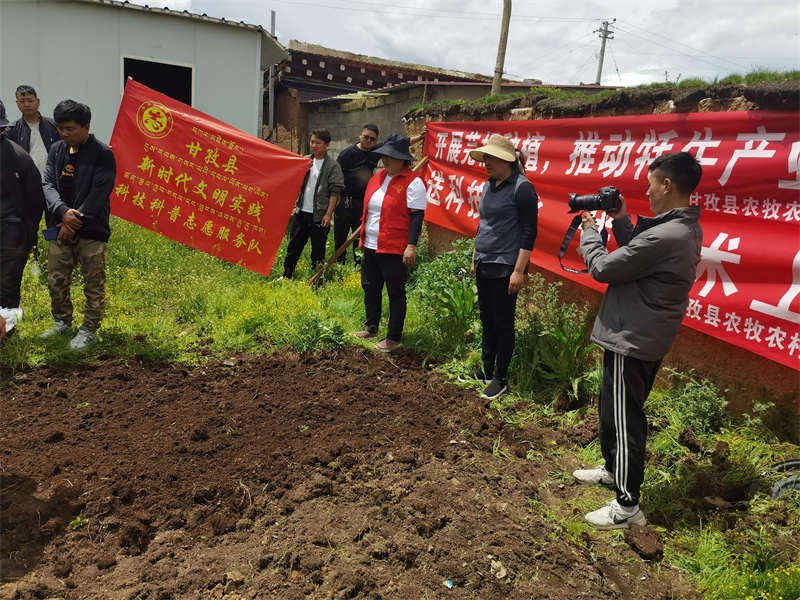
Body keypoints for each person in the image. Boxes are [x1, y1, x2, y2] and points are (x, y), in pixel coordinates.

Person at [573, 151, 703, 529]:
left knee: (625, 417)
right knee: (613, 408)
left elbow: (604, 268)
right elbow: (638, 255)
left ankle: (627, 505)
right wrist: (620, 219)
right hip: (639, 331)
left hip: (632, 335)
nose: (646, 192)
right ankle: (615, 470)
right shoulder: (680, 227)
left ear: (667, 185)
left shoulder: (668, 233)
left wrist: (589, 232)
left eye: (650, 185)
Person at [461, 135, 539, 400]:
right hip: (484, 262)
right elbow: (483, 224)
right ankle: (486, 369)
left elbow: (529, 233)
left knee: (503, 322)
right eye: (486, 158)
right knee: (487, 319)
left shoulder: (523, 188)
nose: (486, 163)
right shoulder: (489, 186)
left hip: (506, 266)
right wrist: (475, 256)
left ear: (506, 160)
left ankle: (500, 378)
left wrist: (519, 270)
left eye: (491, 158)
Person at [40, 99, 116, 351]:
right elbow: (48, 184)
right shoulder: (56, 150)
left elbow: (99, 192)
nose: (64, 133)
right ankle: (62, 321)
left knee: (93, 281)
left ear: (86, 126)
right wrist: (62, 212)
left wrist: (74, 221)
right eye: (61, 128)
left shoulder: (103, 154)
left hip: (92, 230)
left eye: (70, 129)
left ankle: (89, 330)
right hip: (60, 223)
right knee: (56, 279)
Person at [353, 134, 426, 352]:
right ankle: (371, 326)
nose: (386, 160)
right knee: (370, 286)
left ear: (403, 159)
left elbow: (416, 218)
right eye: (384, 156)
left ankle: (394, 337)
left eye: (391, 157)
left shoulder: (414, 183)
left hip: (394, 247)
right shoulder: (378, 178)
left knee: (395, 292)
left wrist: (410, 246)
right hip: (371, 243)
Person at [335, 125, 427, 265]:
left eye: (372, 139)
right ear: (360, 136)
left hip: (362, 201)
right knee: (340, 237)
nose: (368, 141)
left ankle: (359, 265)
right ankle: (338, 265)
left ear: (376, 141)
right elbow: (336, 178)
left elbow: (402, 143)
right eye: (366, 137)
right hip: (345, 201)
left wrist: (420, 137)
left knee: (359, 237)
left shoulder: (376, 151)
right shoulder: (346, 154)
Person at [0, 100, 45, 324]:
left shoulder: (18, 158)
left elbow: (35, 201)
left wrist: (28, 232)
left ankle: (6, 331)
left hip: (12, 230)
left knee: (7, 285)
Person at [283, 129, 344, 278]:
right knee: (294, 246)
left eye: (318, 143)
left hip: (319, 215)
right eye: (312, 142)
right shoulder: (305, 160)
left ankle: (316, 279)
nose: (314, 145)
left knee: (318, 250)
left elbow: (335, 192)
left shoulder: (332, 166)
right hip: (302, 212)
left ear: (326, 145)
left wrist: (328, 215)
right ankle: (287, 275)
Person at [7, 85, 60, 177]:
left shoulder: (54, 125)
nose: (27, 104)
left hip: (52, 180)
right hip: (26, 181)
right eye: (22, 101)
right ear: (17, 103)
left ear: (38, 102)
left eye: (30, 101)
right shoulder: (11, 130)